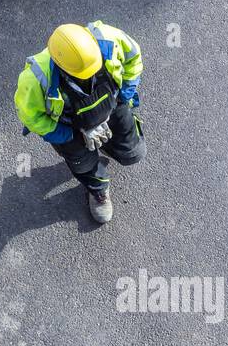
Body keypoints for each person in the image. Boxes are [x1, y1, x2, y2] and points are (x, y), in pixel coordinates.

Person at [14, 21, 145, 223]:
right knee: (83, 164)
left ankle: (110, 144)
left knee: (133, 153)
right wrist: (71, 135)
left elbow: (133, 58)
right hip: (70, 127)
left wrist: (124, 98)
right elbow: (33, 119)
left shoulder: (108, 39)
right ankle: (98, 189)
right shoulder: (34, 79)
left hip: (112, 104)